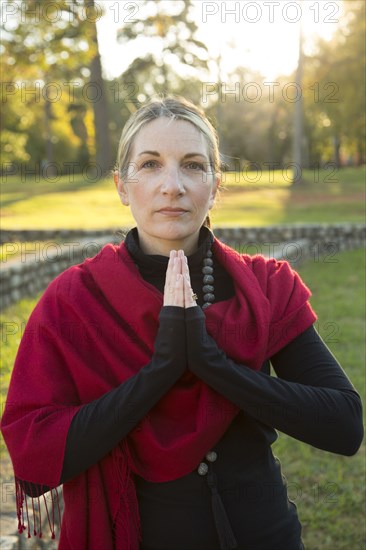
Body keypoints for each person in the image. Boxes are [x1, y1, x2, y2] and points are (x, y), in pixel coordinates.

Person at [1, 96, 363, 550]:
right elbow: (35, 464)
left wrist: (213, 365)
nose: (172, 185)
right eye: (150, 164)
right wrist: (163, 368)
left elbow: (344, 426)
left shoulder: (267, 287)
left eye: (192, 165)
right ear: (121, 185)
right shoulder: (74, 302)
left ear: (215, 186)